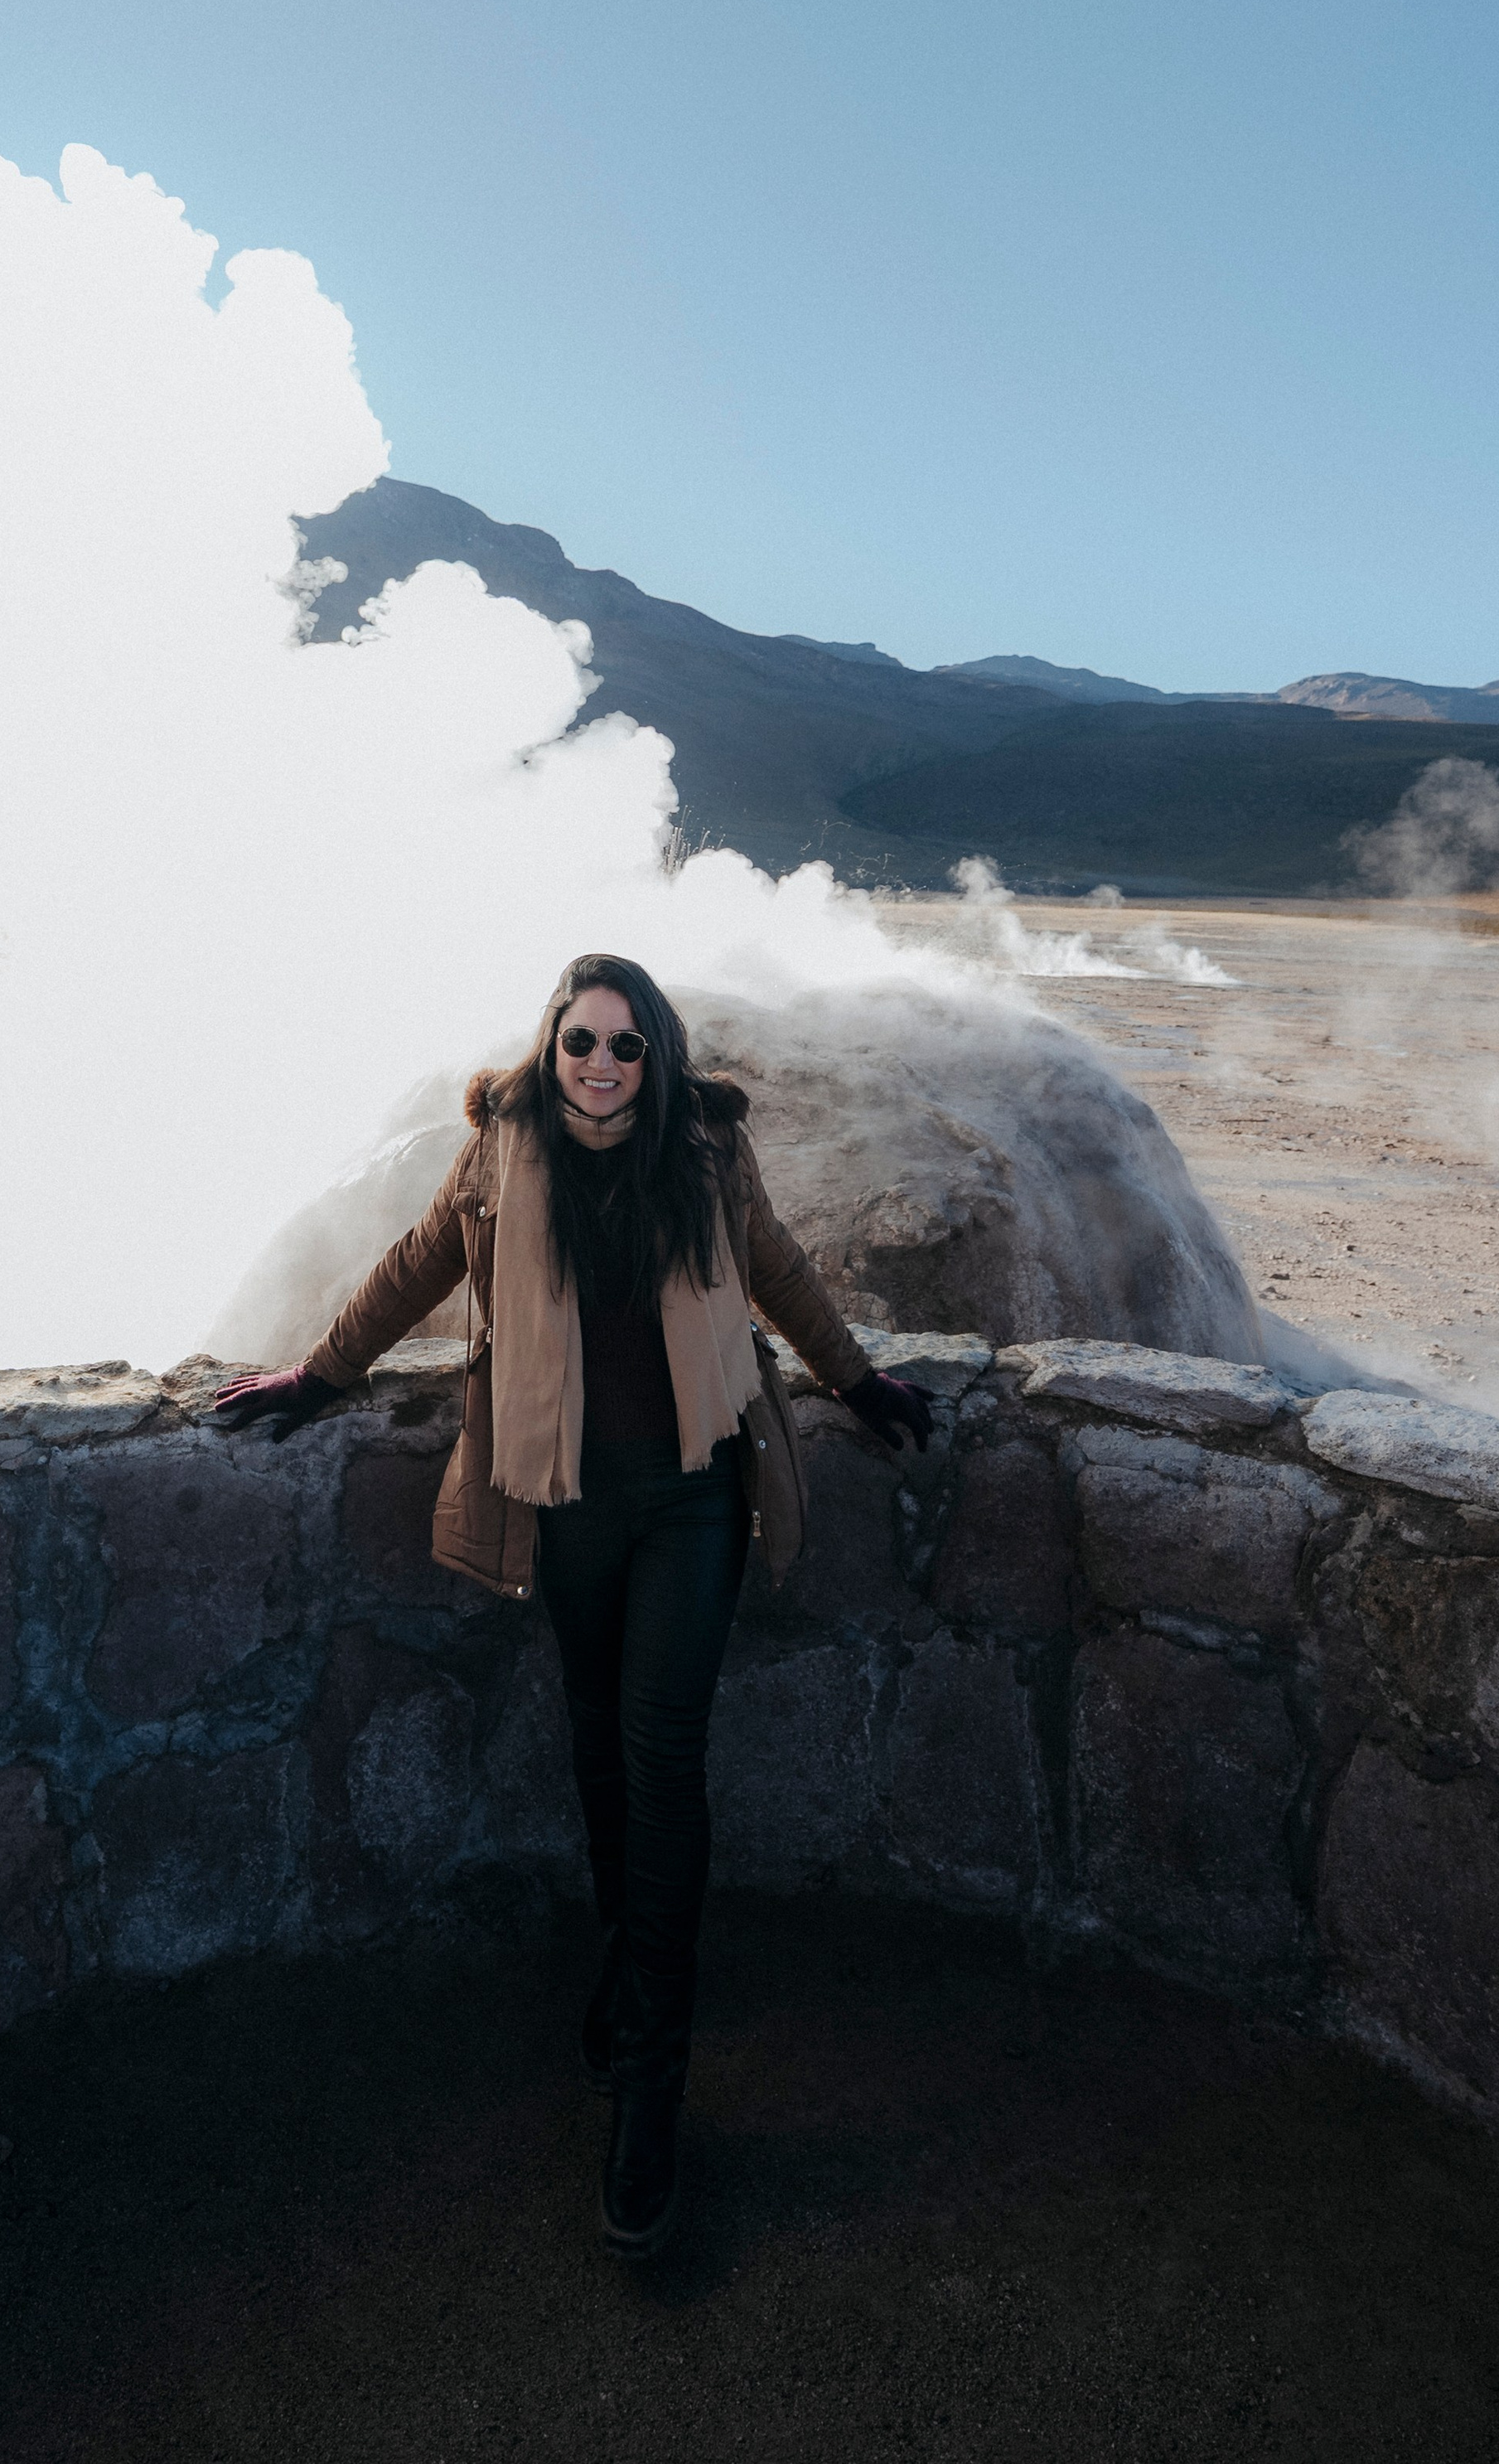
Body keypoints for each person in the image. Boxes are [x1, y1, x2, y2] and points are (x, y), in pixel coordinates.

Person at [210, 952, 935, 2257]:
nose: (600, 1067)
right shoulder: (501, 1147)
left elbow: (773, 1265)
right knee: (600, 1749)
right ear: (551, 1050)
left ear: (658, 1055)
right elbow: (419, 1262)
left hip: (693, 1500)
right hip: (569, 1505)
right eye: (579, 1043)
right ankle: (624, 1961)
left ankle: (651, 2087)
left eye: (625, 1046)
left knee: (661, 1758)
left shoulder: (705, 1149)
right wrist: (318, 1378)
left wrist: (860, 1381)